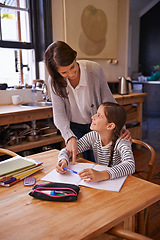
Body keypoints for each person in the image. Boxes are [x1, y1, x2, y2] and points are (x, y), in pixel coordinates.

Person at [45, 41, 131, 163]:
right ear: (56, 73)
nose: (71, 74)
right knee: (87, 161)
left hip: (98, 125)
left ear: (75, 58)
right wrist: (69, 137)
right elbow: (59, 113)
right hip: (75, 126)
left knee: (103, 161)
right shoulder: (54, 81)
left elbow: (108, 101)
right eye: (64, 72)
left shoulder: (93, 70)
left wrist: (120, 126)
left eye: (72, 67)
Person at [56, 102, 135, 182]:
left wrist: (102, 174)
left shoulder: (122, 141)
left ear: (110, 126)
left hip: (121, 183)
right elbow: (68, 150)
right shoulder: (92, 136)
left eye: (99, 116)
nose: (93, 117)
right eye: (96, 113)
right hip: (103, 182)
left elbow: (130, 165)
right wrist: (63, 160)